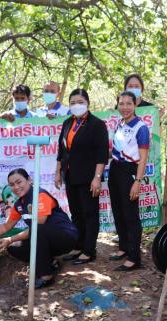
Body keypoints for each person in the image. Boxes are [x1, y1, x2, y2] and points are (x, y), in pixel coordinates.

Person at [0, 168, 78, 288]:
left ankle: (46, 276)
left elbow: (37, 227)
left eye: (19, 182)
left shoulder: (40, 196)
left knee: (38, 229)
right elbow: (6, 226)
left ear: (29, 180)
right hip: (45, 239)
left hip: (65, 237)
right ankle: (50, 262)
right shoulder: (19, 204)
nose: (16, 187)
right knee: (13, 248)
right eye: (12, 185)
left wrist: (10, 238)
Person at [55, 88, 109, 265]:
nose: (76, 106)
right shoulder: (67, 123)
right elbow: (61, 150)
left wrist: (97, 177)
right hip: (70, 175)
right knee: (76, 213)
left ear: (87, 103)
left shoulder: (97, 124)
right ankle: (78, 247)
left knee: (89, 213)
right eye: (72, 103)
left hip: (89, 177)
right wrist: (58, 172)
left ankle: (89, 250)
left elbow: (102, 154)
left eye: (80, 102)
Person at [108, 91, 150, 271]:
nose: (124, 107)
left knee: (131, 215)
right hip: (116, 169)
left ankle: (134, 257)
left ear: (135, 105)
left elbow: (143, 157)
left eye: (128, 104)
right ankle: (124, 248)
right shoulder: (120, 123)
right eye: (121, 103)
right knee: (118, 211)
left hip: (130, 172)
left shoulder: (141, 127)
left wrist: (137, 182)